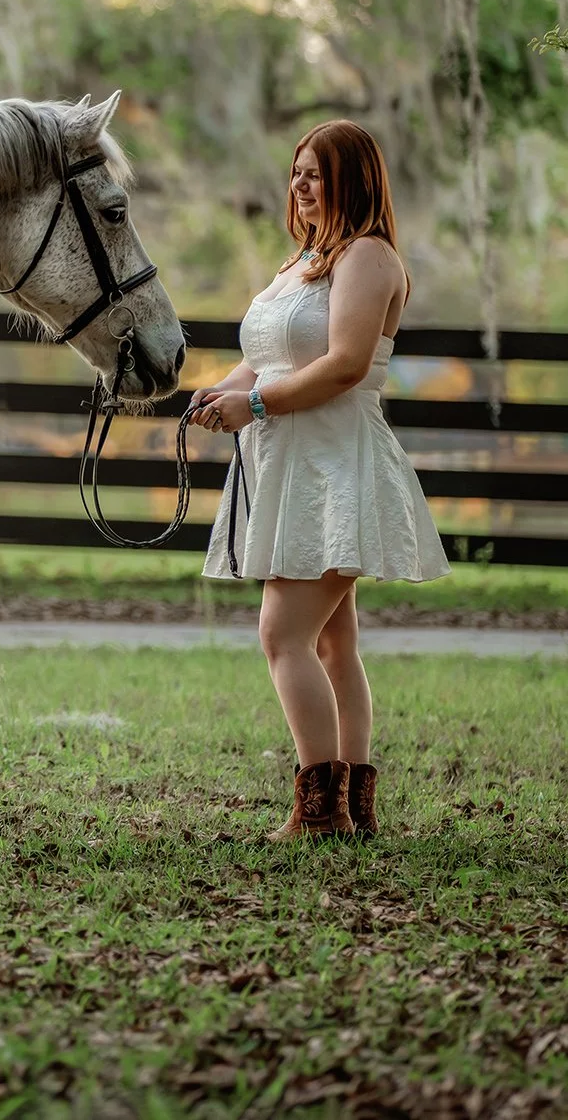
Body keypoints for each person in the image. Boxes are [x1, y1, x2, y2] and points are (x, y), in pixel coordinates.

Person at [192, 120, 448, 841]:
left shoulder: (367, 258)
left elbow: (342, 364)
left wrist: (257, 404)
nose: (299, 184)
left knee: (281, 635)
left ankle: (319, 813)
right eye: (296, 171)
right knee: (333, 644)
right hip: (289, 463)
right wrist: (220, 394)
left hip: (337, 464)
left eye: (315, 173)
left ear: (354, 181)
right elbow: (266, 358)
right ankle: (354, 808)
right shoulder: (302, 262)